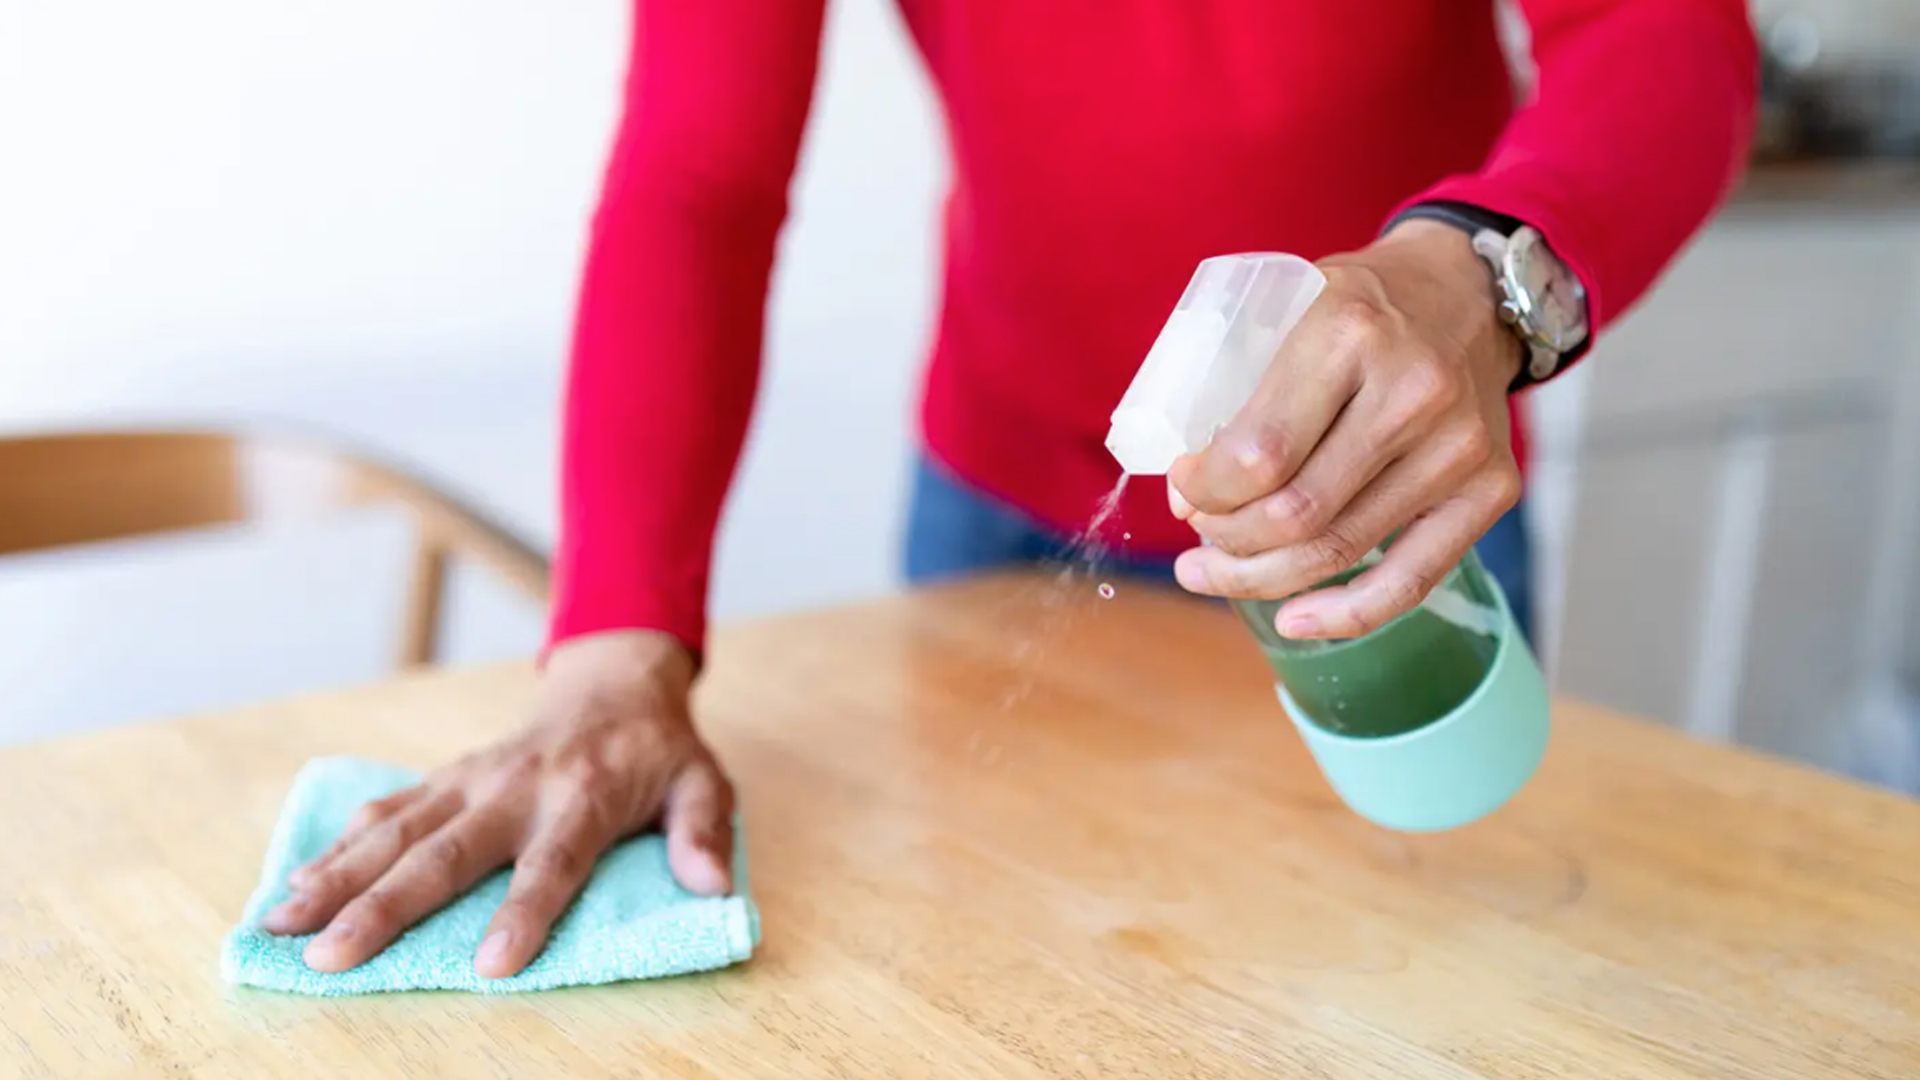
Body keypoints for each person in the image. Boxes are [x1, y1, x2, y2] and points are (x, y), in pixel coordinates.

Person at [263, 0, 1757, 977]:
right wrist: (610, 649)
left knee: (1451, 996)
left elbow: (1662, 29)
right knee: (989, 997)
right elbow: (697, 177)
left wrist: (1485, 275)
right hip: (1001, 508)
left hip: (1389, 509)